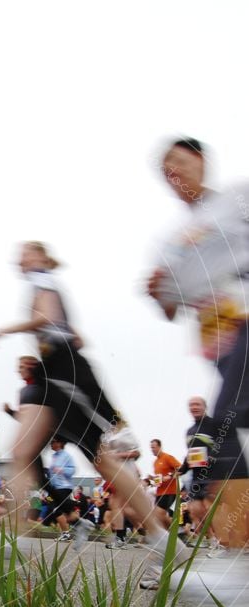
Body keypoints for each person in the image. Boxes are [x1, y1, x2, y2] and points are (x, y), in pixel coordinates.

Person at [0, 241, 189, 585]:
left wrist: (12, 327)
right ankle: (13, 537)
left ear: (40, 256)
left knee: (103, 460)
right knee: (22, 454)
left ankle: (163, 539)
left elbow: (48, 318)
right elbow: (68, 330)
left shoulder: (43, 280)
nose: (19, 258)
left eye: (25, 252)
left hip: (66, 375)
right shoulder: (41, 282)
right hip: (52, 375)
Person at [147, 136, 249, 557]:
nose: (174, 172)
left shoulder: (235, 200)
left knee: (221, 431)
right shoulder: (171, 240)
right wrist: (160, 295)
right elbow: (171, 308)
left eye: (179, 161)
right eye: (165, 170)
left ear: (202, 160)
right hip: (221, 346)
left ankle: (236, 559)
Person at [178, 397, 226, 555]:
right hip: (197, 476)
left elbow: (225, 445)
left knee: (211, 507)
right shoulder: (189, 431)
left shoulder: (214, 424)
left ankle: (222, 543)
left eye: (197, 404)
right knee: (195, 510)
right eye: (191, 404)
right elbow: (190, 454)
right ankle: (213, 540)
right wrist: (182, 469)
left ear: (205, 407)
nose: (194, 407)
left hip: (215, 473)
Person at [149, 439, 180, 527]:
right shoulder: (155, 462)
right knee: (157, 516)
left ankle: (176, 531)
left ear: (159, 447)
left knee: (159, 514)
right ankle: (169, 535)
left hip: (170, 491)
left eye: (154, 447)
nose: (152, 449)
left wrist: (169, 476)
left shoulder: (167, 457)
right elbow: (160, 479)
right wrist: (153, 479)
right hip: (159, 492)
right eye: (151, 448)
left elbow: (180, 469)